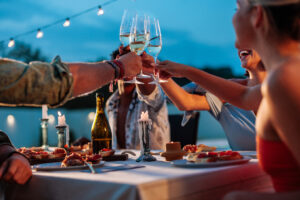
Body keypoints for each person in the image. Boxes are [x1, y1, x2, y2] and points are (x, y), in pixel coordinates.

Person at [157, 0, 300, 199]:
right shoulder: (284, 76)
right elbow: (244, 97)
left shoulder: (286, 79)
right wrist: (182, 70)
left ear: (257, 16)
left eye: (237, 9)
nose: (232, 18)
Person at [0, 52, 143, 185]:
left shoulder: (134, 100)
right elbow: (53, 82)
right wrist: (118, 68)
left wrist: (10, 153)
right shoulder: (112, 102)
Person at [162, 49, 266, 150]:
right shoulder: (226, 90)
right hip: (242, 167)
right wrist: (157, 71)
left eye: (250, 39)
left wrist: (186, 71)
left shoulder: (279, 90)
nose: (239, 45)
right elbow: (186, 102)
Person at [106, 47, 170, 150]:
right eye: (124, 62)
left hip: (155, 165)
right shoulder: (110, 103)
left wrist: (140, 64)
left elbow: (150, 92)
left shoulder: (147, 95)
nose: (127, 66)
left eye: (130, 63)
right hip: (123, 165)